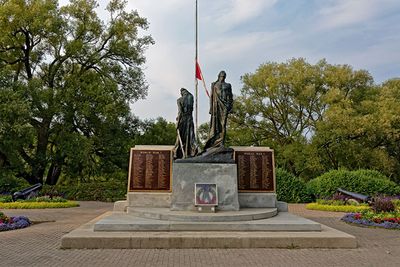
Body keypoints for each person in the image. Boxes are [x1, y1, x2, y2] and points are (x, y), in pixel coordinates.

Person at [203, 71, 233, 150]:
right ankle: (214, 142)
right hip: (216, 106)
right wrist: (210, 108)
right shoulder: (214, 84)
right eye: (221, 76)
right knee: (215, 124)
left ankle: (221, 143)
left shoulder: (228, 85)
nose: (222, 77)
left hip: (225, 106)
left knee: (223, 125)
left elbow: (230, 96)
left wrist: (230, 106)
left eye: (224, 76)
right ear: (219, 76)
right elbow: (211, 96)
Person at [174, 88, 197, 159]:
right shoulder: (191, 97)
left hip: (183, 119)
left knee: (180, 136)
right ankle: (193, 149)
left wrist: (178, 121)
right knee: (190, 135)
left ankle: (177, 153)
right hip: (190, 118)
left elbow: (180, 111)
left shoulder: (179, 100)